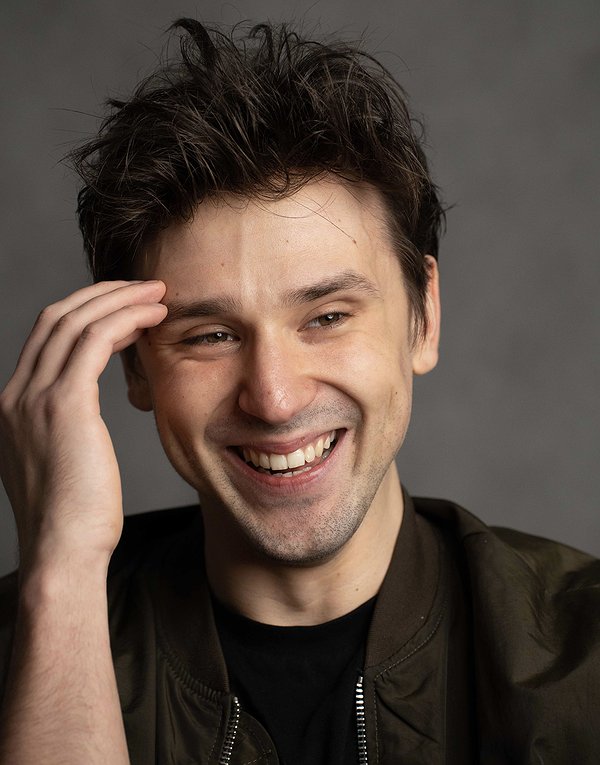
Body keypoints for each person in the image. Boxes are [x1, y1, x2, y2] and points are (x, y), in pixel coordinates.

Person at [0, 18, 598, 765]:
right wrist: (62, 573)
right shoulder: (25, 645)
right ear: (135, 368)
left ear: (424, 317)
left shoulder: (583, 659)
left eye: (327, 317)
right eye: (210, 335)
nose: (275, 399)